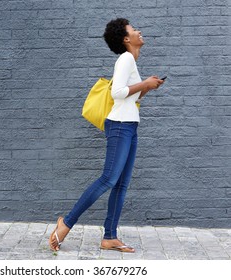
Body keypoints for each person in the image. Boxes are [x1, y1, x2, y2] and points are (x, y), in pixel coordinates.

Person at [49, 18, 165, 253]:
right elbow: (118, 92)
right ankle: (66, 224)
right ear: (125, 39)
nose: (139, 31)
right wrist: (144, 83)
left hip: (130, 125)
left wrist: (146, 88)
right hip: (120, 125)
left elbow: (131, 97)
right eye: (133, 30)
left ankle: (110, 236)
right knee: (109, 179)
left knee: (121, 185)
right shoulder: (125, 59)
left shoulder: (132, 61)